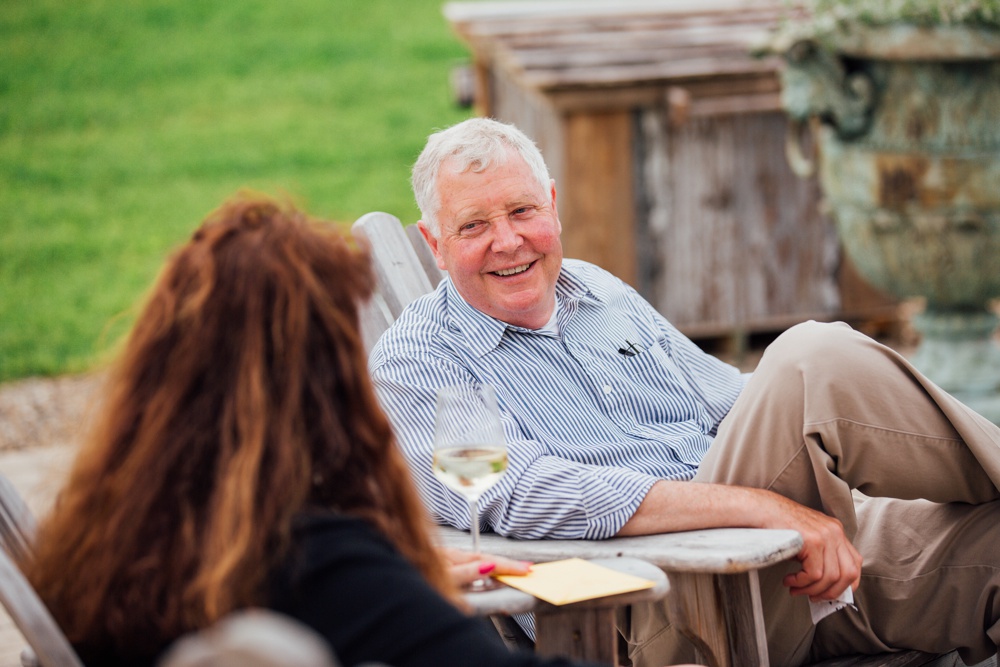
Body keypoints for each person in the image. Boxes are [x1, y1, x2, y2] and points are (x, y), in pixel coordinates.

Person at [369, 117, 1000, 667]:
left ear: (553, 206)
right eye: (473, 225)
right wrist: (765, 508)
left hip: (782, 570)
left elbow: (735, 403)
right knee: (811, 356)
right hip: (654, 605)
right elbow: (524, 496)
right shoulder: (416, 361)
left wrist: (796, 498)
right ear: (434, 244)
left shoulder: (598, 292)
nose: (507, 241)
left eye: (522, 211)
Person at [22, 192, 605, 667]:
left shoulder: (120, 535)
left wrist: (401, 573)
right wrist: (394, 585)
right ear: (327, 376)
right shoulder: (313, 561)